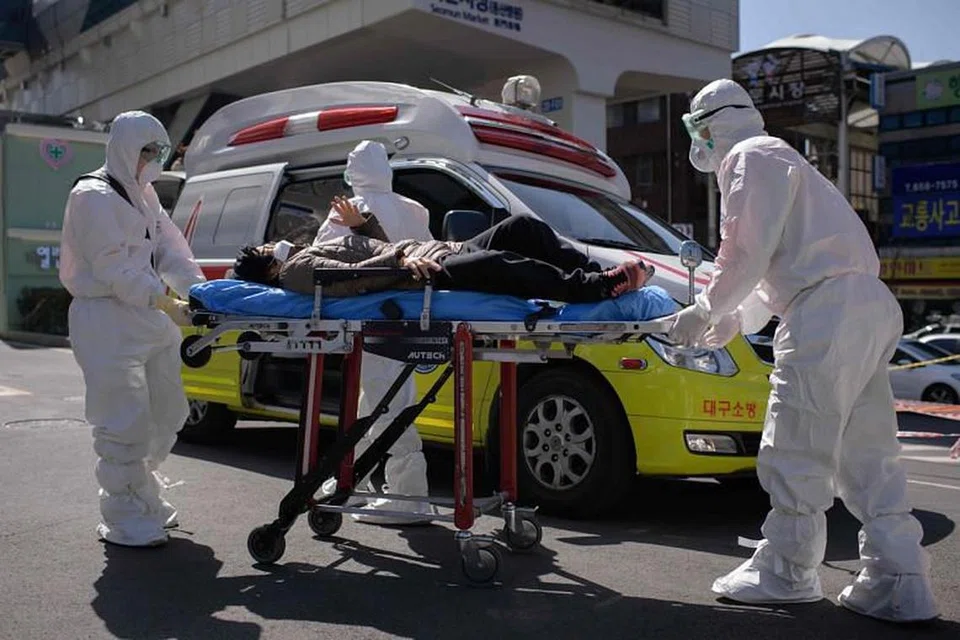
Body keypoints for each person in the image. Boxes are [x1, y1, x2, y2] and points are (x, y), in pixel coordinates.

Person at [663, 78, 938, 622]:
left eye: (697, 130)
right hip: (865, 304)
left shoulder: (748, 157)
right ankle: (899, 578)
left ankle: (787, 571)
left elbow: (745, 251)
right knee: (867, 452)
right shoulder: (784, 159)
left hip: (825, 312)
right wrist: (734, 319)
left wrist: (707, 308)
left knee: (796, 440)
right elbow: (775, 261)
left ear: (709, 126)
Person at [59, 110, 206, 547]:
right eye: (147, 151)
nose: (153, 159)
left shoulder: (144, 194)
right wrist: (165, 301)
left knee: (168, 411)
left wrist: (200, 292)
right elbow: (113, 267)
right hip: (105, 316)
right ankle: (122, 513)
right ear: (124, 148)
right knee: (121, 422)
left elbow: (171, 248)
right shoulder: (92, 195)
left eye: (158, 151)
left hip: (145, 315)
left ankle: (142, 492)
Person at [314, 140, 436, 525]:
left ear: (353, 172)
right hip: (414, 316)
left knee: (386, 404)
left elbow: (321, 258)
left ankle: (409, 496)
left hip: (372, 315)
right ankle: (350, 478)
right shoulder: (415, 208)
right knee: (379, 401)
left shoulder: (349, 209)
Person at [233, 198, 653, 302]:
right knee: (499, 264)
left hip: (433, 251)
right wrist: (400, 262)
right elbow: (345, 280)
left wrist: (362, 225)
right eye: (269, 247)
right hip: (421, 271)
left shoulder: (305, 254)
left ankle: (598, 273)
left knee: (522, 227)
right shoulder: (296, 270)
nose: (277, 244)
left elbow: (373, 250)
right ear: (267, 266)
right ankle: (593, 287)